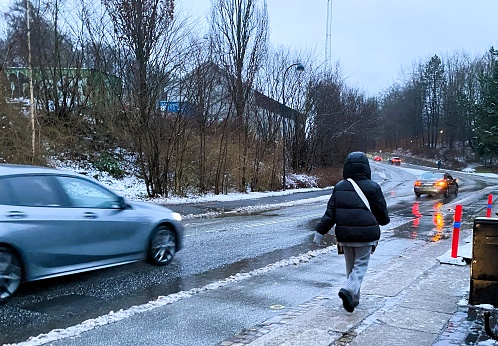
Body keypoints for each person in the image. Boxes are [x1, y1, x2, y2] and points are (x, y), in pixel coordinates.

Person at [312, 151, 390, 313]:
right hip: (366, 236)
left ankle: (353, 300)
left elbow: (330, 214)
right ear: (366, 168)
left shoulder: (340, 187)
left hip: (345, 236)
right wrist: (382, 221)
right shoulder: (373, 187)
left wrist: (320, 232)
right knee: (360, 266)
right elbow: (382, 216)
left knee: (351, 267)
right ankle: (349, 291)